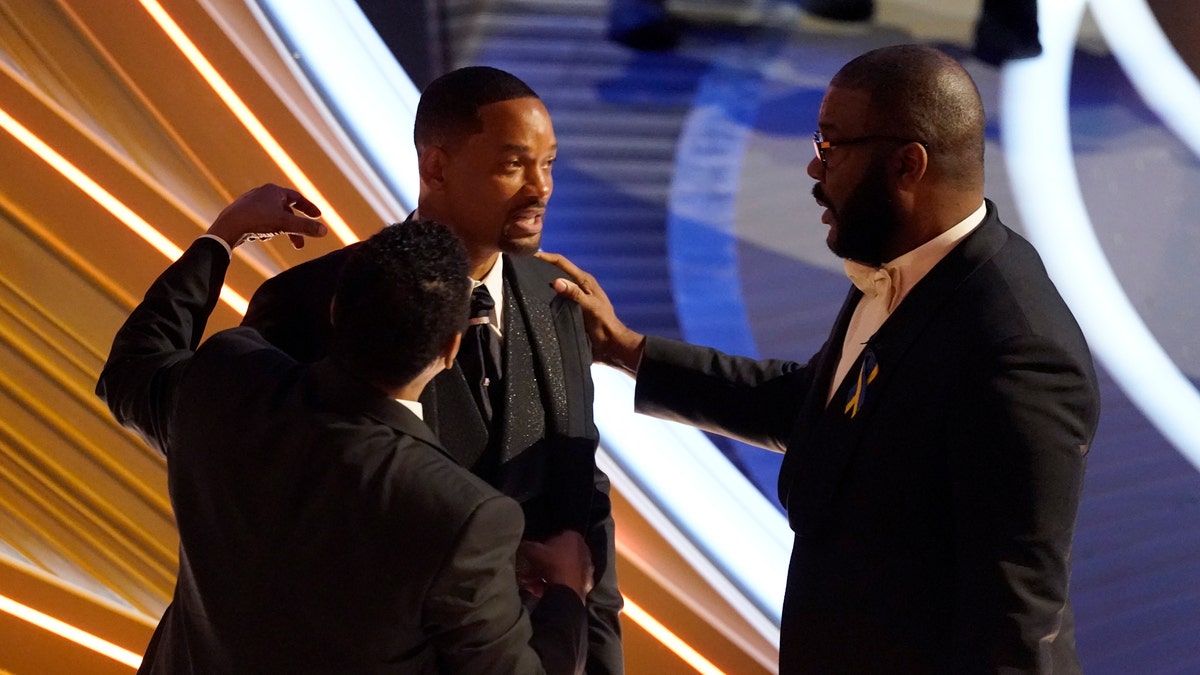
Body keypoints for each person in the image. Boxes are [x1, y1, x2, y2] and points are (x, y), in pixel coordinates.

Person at [539, 45, 1100, 674]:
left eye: (831, 147)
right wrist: (626, 349)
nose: (812, 167)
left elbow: (1016, 623)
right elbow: (816, 409)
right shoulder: (903, 264)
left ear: (906, 167)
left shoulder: (1017, 353)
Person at [96, 184, 592, 673]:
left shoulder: (225, 378)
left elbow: (131, 370)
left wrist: (223, 236)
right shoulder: (463, 515)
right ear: (450, 349)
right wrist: (567, 593)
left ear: (336, 310)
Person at [241, 67, 624, 674]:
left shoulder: (559, 300)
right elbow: (264, 517)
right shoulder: (308, 302)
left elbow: (582, 500)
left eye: (549, 163)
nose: (541, 188)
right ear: (436, 168)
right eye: (514, 165)